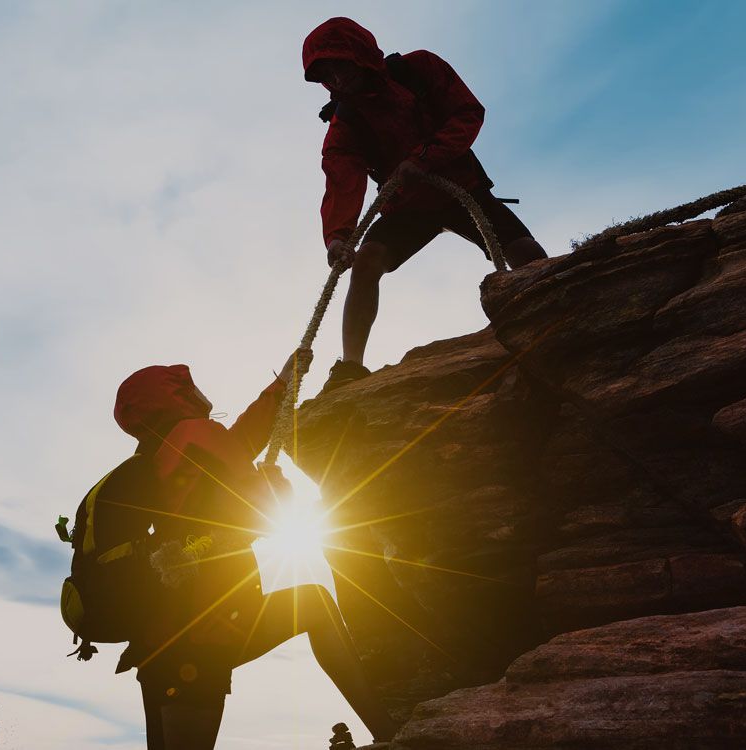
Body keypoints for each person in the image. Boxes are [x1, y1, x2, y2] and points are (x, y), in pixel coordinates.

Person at [105, 350, 398, 749]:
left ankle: (388, 731)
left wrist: (283, 387)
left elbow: (238, 443)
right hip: (201, 635)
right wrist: (276, 487)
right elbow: (259, 509)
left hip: (164, 639)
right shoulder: (198, 435)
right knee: (316, 605)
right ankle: (389, 732)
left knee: (314, 604)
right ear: (175, 396)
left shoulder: (159, 452)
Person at [304, 17, 549, 394]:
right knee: (366, 262)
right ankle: (350, 366)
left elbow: (467, 112)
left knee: (525, 252)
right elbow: (341, 177)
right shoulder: (345, 123)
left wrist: (425, 157)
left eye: (339, 66)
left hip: (460, 187)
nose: (335, 80)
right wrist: (337, 237)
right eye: (326, 75)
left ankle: (555, 314)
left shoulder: (418, 70)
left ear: (359, 55)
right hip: (405, 207)